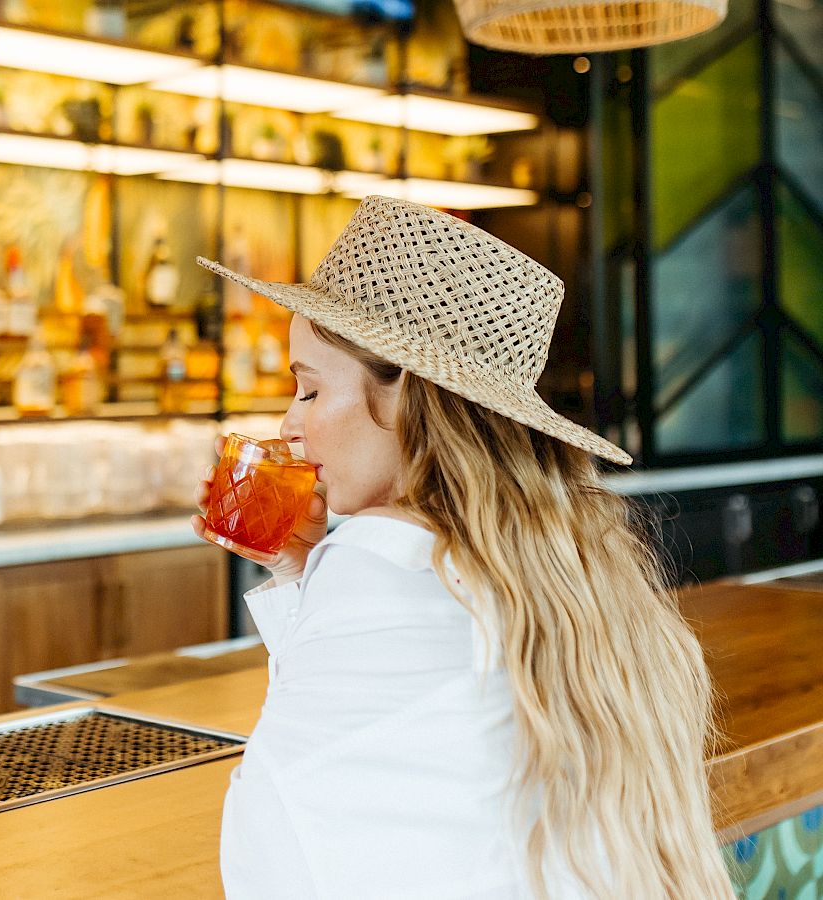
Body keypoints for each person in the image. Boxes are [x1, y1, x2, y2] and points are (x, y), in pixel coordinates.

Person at [190, 196, 734, 899]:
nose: (288, 424)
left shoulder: (379, 563)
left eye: (308, 389)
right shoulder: (562, 557)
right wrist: (301, 576)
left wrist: (320, 577)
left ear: (406, 396)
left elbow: (272, 840)